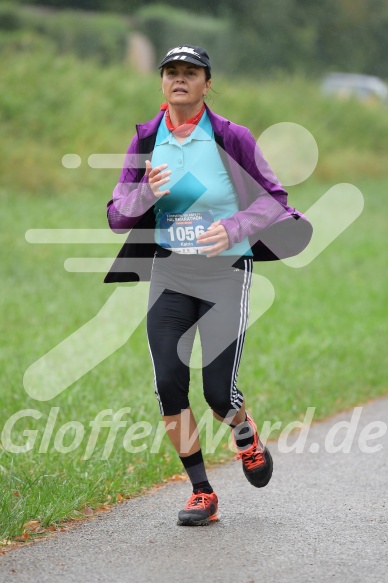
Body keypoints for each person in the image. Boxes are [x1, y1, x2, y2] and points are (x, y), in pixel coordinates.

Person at [105, 45, 310, 526]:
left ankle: (244, 431)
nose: (180, 79)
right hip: (170, 274)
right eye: (171, 72)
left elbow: (274, 199)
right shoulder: (145, 140)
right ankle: (202, 491)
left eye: (190, 73)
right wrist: (145, 194)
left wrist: (235, 227)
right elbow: (117, 216)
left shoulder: (230, 137)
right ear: (162, 83)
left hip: (225, 276)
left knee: (219, 394)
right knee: (168, 384)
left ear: (206, 83)